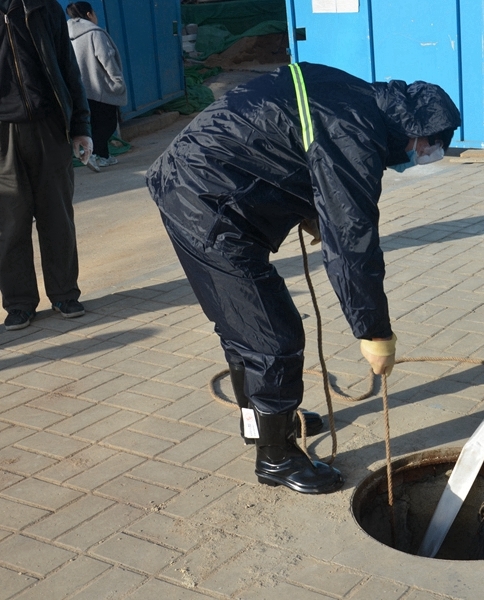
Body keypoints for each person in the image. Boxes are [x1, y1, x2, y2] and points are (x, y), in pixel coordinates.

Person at [146, 62, 460, 495]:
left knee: (244, 329)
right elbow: (352, 243)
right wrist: (374, 331)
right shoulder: (356, 133)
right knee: (271, 337)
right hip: (204, 202)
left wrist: (313, 212)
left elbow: (296, 144)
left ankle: (263, 427)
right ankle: (275, 457)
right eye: (428, 147)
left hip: (205, 186)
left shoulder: (355, 99)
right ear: (414, 128)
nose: (421, 156)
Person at [1, 0, 93, 332]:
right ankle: (19, 302)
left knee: (57, 217)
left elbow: (68, 67)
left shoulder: (43, 7)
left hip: (49, 127)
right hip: (2, 135)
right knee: (9, 223)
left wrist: (81, 126)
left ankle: (64, 293)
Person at [66, 1, 127, 168]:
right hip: (100, 87)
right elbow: (106, 58)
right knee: (108, 124)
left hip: (80, 88)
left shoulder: (66, 34)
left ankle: (104, 156)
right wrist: (117, 81)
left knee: (93, 124)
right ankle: (91, 154)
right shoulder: (95, 33)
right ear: (88, 14)